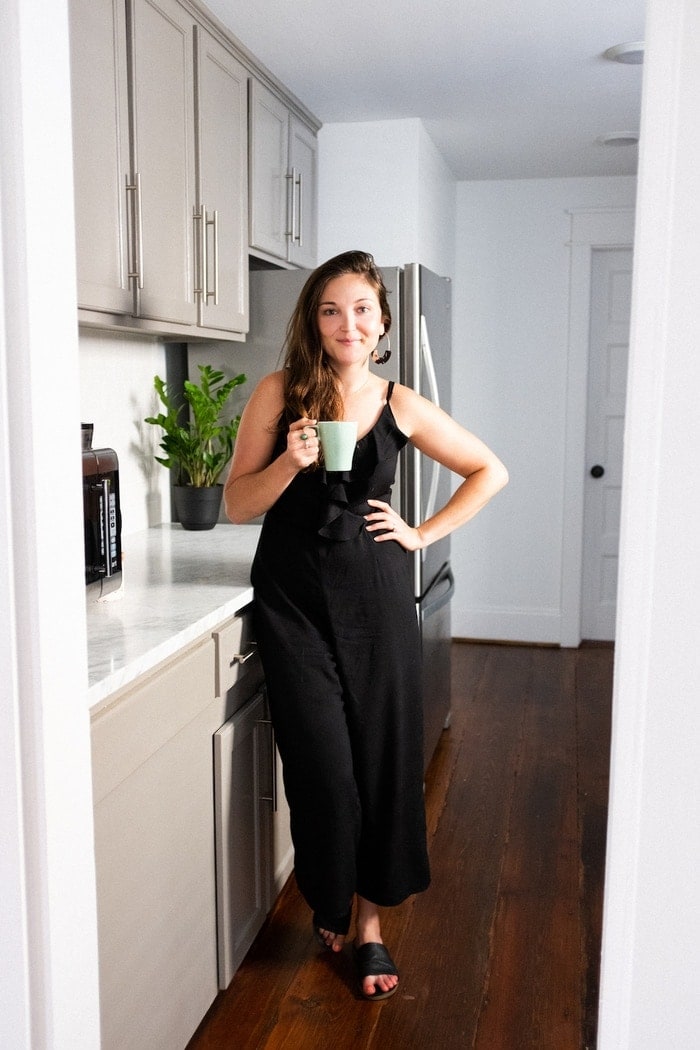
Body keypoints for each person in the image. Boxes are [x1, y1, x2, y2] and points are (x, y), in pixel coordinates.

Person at [224, 250, 508, 1000]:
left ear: (381, 322)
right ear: (313, 322)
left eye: (360, 309)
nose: (346, 323)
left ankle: (370, 925)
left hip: (377, 601)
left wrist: (420, 531)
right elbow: (237, 505)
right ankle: (330, 893)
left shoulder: (401, 402)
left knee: (383, 762)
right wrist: (288, 462)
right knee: (321, 768)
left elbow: (489, 470)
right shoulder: (279, 393)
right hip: (292, 607)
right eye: (329, 309)